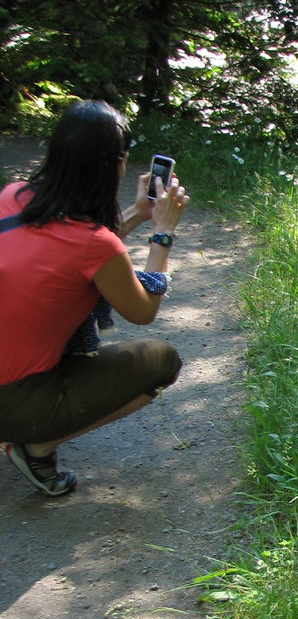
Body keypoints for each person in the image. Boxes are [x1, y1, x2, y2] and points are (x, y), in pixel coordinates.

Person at [0, 99, 189, 497]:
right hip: (11, 399)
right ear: (113, 164)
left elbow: (66, 250)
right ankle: (36, 447)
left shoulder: (13, 196)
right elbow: (143, 310)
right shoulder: (95, 245)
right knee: (161, 360)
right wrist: (162, 233)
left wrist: (138, 213)